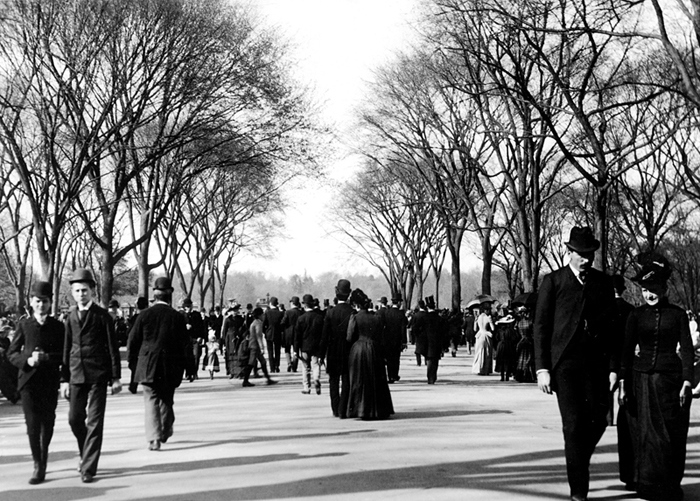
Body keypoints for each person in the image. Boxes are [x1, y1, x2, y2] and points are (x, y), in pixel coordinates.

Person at [534, 226, 617, 501]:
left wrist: (615, 368)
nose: (586, 259)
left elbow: (612, 330)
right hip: (564, 365)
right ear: (569, 252)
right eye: (581, 254)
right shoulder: (553, 281)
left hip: (596, 365)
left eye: (590, 254)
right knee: (572, 425)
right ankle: (578, 493)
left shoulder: (603, 283)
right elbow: (541, 326)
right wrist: (543, 368)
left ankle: (578, 457)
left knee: (601, 419)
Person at [618, 253, 694, 501]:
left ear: (663, 288)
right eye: (644, 290)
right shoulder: (635, 316)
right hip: (640, 382)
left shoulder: (678, 315)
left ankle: (669, 483)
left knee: (668, 435)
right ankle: (647, 483)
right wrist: (622, 383)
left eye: (653, 289)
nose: (648, 295)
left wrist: (686, 381)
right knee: (645, 435)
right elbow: (626, 353)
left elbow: (687, 350)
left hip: (670, 383)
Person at [61, 268, 122, 483]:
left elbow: (113, 348)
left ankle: (88, 467)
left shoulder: (102, 316)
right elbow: (66, 348)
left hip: (98, 374)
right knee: (74, 418)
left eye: (85, 290)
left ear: (92, 291)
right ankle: (85, 451)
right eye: (77, 291)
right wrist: (64, 379)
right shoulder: (69, 317)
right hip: (76, 374)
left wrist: (115, 378)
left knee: (95, 421)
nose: (81, 294)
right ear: (72, 292)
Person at [127, 277, 193, 451]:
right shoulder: (177, 317)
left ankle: (154, 438)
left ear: (154, 296)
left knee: (150, 401)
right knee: (166, 400)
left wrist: (133, 365)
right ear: (169, 295)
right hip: (170, 366)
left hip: (147, 365)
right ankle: (165, 428)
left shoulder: (143, 315)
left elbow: (132, 342)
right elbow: (186, 345)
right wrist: (190, 368)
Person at [8, 281, 64, 484]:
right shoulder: (24, 325)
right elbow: (11, 353)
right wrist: (27, 360)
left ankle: (44, 457)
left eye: (45, 301)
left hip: (49, 382)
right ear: (31, 302)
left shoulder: (58, 327)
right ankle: (37, 465)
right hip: (28, 382)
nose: (41, 305)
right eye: (38, 301)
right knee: (32, 424)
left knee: (47, 424)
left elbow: (64, 355)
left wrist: (48, 358)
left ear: (50, 303)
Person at [345, 288, 394, 419]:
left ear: (357, 304)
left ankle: (360, 409)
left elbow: (349, 337)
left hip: (359, 349)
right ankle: (378, 409)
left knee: (359, 379)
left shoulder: (354, 317)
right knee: (376, 378)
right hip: (373, 348)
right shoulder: (376, 317)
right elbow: (380, 336)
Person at [611, 274, 636, 488]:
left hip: (607, 361)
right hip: (627, 364)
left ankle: (606, 417)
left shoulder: (603, 309)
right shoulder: (631, 311)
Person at [320, 279, 355, 417]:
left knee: (333, 381)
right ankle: (343, 408)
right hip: (348, 350)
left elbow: (325, 335)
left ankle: (335, 408)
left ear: (336, 292)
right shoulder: (352, 312)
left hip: (333, 351)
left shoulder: (330, 313)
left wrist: (321, 354)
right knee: (346, 380)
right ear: (349, 293)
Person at [295, 294, 324, 395]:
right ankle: (316, 379)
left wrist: (295, 349)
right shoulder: (319, 318)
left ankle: (306, 387)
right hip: (316, 346)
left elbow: (297, 336)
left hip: (304, 346)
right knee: (316, 365)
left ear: (304, 305)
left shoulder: (301, 318)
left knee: (305, 367)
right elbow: (322, 335)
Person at [241, 307, 277, 387]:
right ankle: (245, 380)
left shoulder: (255, 322)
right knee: (251, 363)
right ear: (260, 315)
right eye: (263, 314)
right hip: (255, 346)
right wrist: (261, 347)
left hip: (253, 344)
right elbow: (258, 336)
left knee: (263, 362)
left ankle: (268, 379)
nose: (264, 315)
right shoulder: (258, 323)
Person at [413, 296, 444, 384]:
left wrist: (420, 337)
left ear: (427, 307)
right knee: (435, 359)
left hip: (426, 341)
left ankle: (430, 377)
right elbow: (444, 332)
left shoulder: (424, 317)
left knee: (429, 358)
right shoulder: (439, 319)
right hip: (437, 341)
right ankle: (433, 376)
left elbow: (415, 328)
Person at [381, 293, 408, 383]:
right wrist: (404, 341)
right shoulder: (401, 314)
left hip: (387, 339)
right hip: (397, 339)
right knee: (396, 358)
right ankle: (394, 375)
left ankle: (390, 376)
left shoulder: (386, 312)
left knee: (389, 358)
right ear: (399, 303)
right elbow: (403, 329)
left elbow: (383, 326)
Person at [182, 298, 205, 382]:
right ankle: (188, 373)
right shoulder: (181, 315)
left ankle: (194, 372)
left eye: (189, 306)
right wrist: (185, 327)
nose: (188, 308)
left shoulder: (197, 315)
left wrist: (201, 336)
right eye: (186, 307)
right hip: (186, 339)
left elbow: (202, 327)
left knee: (196, 356)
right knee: (187, 357)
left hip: (195, 338)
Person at [513, 306, 536, 383]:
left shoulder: (519, 322)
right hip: (529, 341)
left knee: (521, 358)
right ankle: (528, 375)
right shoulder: (530, 322)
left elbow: (517, 333)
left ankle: (520, 375)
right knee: (529, 358)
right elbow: (533, 332)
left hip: (521, 341)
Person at [471, 301, 494, 375]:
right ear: (486, 310)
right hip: (486, 335)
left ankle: (478, 368)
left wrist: (475, 321)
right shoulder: (488, 317)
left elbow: (475, 329)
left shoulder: (478, 318)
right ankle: (485, 369)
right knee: (486, 352)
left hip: (479, 335)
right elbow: (493, 328)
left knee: (479, 352)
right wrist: (491, 321)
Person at [263, 297, 284, 373]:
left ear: (270, 304)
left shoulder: (267, 313)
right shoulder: (280, 313)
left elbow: (264, 323)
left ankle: (272, 367)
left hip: (269, 333)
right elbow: (282, 324)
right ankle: (277, 365)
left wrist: (265, 332)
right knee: (277, 350)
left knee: (270, 351)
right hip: (278, 333)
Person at [281, 296, 302, 372]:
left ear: (292, 303)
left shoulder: (288, 312)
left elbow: (283, 322)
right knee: (296, 349)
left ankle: (289, 362)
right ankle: (295, 365)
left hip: (288, 332)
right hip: (298, 333)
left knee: (287, 349)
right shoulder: (301, 312)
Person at [411, 300, 427, 366]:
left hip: (418, 334)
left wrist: (414, 335)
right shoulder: (427, 315)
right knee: (426, 348)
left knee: (418, 349)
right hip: (425, 334)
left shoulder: (416, 315)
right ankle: (426, 361)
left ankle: (418, 362)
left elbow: (413, 326)